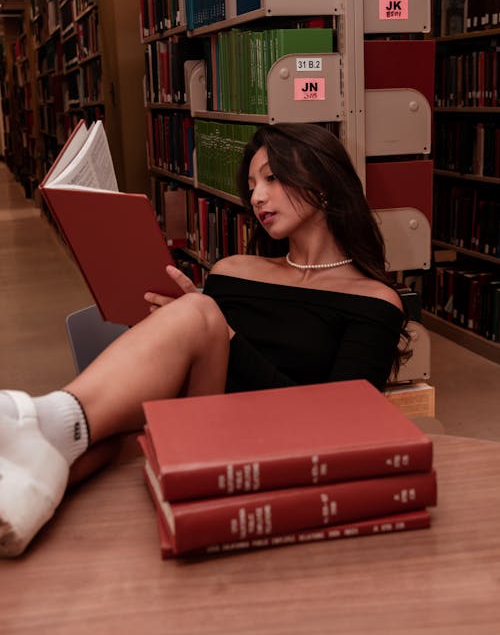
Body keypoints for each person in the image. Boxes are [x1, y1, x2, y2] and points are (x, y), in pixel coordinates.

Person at [0, 122, 408, 557]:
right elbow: (205, 360)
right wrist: (174, 328)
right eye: (251, 185)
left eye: (271, 177)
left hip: (280, 445)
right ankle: (20, 493)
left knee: (195, 317)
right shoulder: (234, 270)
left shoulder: (373, 300)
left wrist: (218, 332)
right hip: (197, 419)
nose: (256, 197)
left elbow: (342, 427)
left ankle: (40, 417)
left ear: (325, 180)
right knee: (113, 438)